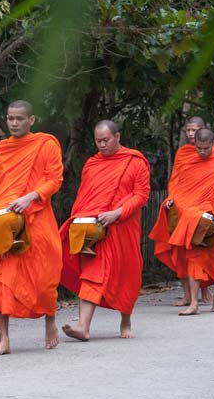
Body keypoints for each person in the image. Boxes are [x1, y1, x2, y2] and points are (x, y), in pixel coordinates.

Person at [0, 100, 64, 352]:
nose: (13, 123)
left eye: (19, 119)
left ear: (31, 120)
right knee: (2, 280)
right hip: (6, 219)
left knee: (44, 276)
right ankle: (4, 340)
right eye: (10, 118)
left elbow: (55, 180)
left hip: (38, 217)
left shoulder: (45, 144)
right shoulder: (0, 150)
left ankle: (50, 322)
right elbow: (0, 190)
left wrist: (31, 196)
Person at [59, 120, 150, 341]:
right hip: (96, 229)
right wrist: (79, 222)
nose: (101, 145)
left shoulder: (135, 161)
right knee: (92, 273)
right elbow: (84, 196)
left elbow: (141, 195)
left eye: (106, 140)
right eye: (98, 141)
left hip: (123, 226)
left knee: (126, 274)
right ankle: (83, 327)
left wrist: (117, 213)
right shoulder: (92, 164)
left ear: (117, 137)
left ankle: (125, 322)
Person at [148, 127, 214, 315]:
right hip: (191, 216)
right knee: (193, 255)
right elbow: (180, 187)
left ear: (213, 144)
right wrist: (172, 201)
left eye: (206, 148)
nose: (202, 152)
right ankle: (194, 303)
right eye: (199, 148)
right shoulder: (188, 163)